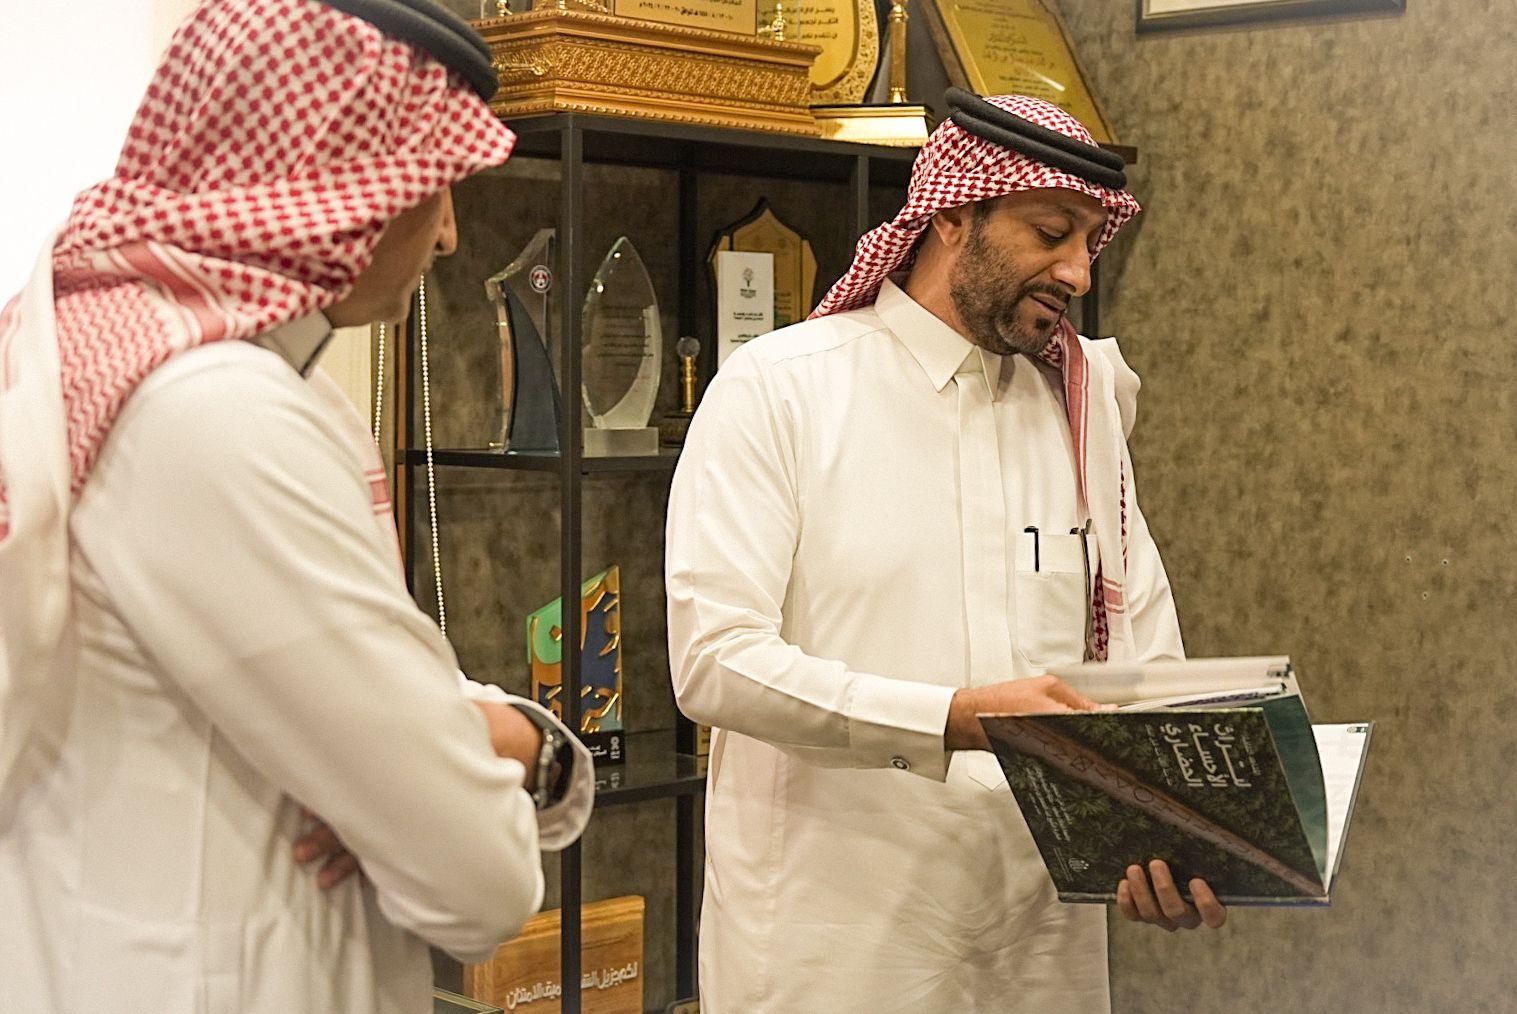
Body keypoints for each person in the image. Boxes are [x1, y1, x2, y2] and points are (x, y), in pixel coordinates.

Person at [0, 1, 592, 1011]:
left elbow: (426, 726)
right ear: (335, 176)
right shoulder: (208, 410)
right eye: (434, 182)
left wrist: (509, 745)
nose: (450, 234)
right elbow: (480, 884)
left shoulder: (195, 368)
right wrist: (495, 759)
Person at [665, 88, 1224, 1013]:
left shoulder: (1078, 406)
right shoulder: (782, 389)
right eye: (1051, 233)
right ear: (953, 215)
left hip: (1040, 943)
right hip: (834, 946)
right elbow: (715, 664)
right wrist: (953, 718)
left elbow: (1140, 658)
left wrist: (1170, 838)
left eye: (1090, 242)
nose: (1078, 273)